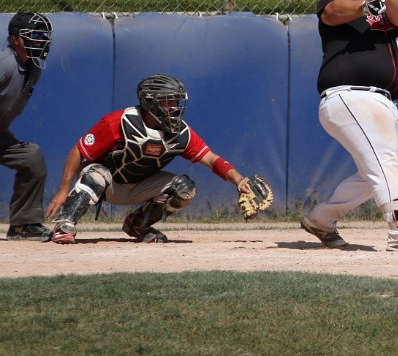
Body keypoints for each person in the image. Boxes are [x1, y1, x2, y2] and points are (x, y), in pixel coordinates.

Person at [300, 0, 398, 252]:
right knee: (384, 163)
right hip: (349, 96)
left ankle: (321, 219)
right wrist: (364, 5)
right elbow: (331, 13)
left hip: (385, 103)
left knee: (374, 174)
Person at [45, 73, 257, 244]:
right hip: (108, 185)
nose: (175, 107)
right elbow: (78, 151)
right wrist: (64, 190)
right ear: (150, 102)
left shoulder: (181, 132)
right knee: (96, 174)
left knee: (185, 189)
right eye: (168, 101)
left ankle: (138, 224)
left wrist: (239, 181)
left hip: (140, 187)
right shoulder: (120, 122)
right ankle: (65, 223)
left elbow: (211, 159)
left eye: (176, 101)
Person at [1, 13, 53, 241]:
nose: (41, 41)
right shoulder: (4, 64)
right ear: (15, 39)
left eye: (44, 36)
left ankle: (23, 225)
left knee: (31, 157)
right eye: (35, 36)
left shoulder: (34, 69)